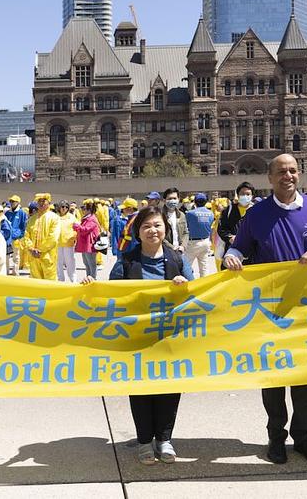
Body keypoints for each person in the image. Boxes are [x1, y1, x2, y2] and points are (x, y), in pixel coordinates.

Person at [222, 154, 307, 467]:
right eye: (281, 172)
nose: (287, 176)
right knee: (273, 376)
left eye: (292, 171)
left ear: (298, 174)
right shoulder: (257, 214)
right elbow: (239, 247)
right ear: (270, 178)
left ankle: (303, 437)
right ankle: (276, 437)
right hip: (270, 310)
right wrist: (232, 256)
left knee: (305, 374)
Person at [89, 206, 193, 465]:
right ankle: (145, 441)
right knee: (140, 389)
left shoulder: (178, 259)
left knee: (170, 387)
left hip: (169, 336)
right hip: (136, 337)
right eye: (146, 226)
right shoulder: (127, 260)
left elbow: (195, 294)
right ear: (138, 231)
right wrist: (90, 288)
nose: (152, 230)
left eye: (157, 225)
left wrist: (183, 286)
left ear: (165, 228)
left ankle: (165, 440)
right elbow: (110, 293)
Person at [22, 193, 61, 281]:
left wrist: (40, 250)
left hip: (47, 256)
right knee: (35, 281)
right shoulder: (32, 219)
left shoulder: (54, 218)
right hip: (33, 256)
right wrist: (31, 248)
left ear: (49, 202)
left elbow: (53, 237)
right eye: (39, 201)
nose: (41, 203)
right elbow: (26, 235)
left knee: (49, 281)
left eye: (44, 201)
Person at [216, 182, 255, 260]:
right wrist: (230, 237)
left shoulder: (256, 210)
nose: (245, 196)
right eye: (242, 194)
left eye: (248, 194)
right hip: (232, 252)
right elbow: (221, 229)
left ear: (252, 196)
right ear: (238, 195)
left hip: (252, 254)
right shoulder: (229, 210)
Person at [183, 193, 216, 277]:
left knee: (186, 265)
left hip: (193, 243)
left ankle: (187, 284)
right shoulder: (211, 213)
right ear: (205, 202)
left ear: (195, 202)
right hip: (205, 241)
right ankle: (204, 286)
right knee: (204, 267)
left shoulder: (190, 213)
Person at [73, 201, 101, 282]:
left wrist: (77, 226)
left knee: (91, 264)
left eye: (84, 208)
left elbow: (86, 230)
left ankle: (93, 279)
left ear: (89, 210)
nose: (82, 210)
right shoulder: (87, 218)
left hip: (90, 245)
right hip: (85, 244)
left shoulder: (91, 219)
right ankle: (89, 278)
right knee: (87, 263)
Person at [4, 195, 28, 275]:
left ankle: (15, 272)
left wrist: (19, 235)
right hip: (8, 238)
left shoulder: (22, 213)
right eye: (10, 201)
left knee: (16, 256)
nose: (11, 203)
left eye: (13, 201)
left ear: (18, 202)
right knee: (6, 255)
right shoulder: (7, 213)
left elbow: (23, 226)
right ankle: (6, 271)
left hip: (16, 238)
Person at [55, 201, 78, 282]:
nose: (64, 208)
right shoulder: (55, 217)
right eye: (62, 207)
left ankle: (73, 279)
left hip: (68, 243)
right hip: (57, 243)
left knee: (70, 262)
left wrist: (73, 236)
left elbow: (77, 228)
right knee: (58, 262)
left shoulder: (72, 217)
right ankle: (61, 279)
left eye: (66, 207)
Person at [162, 188, 189, 255]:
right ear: (164, 200)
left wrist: (183, 246)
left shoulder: (181, 215)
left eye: (174, 198)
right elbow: (160, 236)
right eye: (170, 199)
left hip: (180, 252)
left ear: (178, 199)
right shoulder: (159, 215)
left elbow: (186, 232)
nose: (172, 201)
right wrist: (172, 247)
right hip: (166, 251)